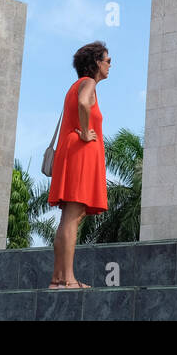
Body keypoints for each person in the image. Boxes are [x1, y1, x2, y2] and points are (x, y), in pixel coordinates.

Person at [47, 41, 111, 289]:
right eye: (107, 60)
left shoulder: (75, 86)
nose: (109, 65)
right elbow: (85, 103)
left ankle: (57, 278)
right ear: (96, 62)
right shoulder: (88, 83)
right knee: (72, 217)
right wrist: (86, 132)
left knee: (69, 217)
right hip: (80, 153)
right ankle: (69, 279)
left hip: (73, 152)